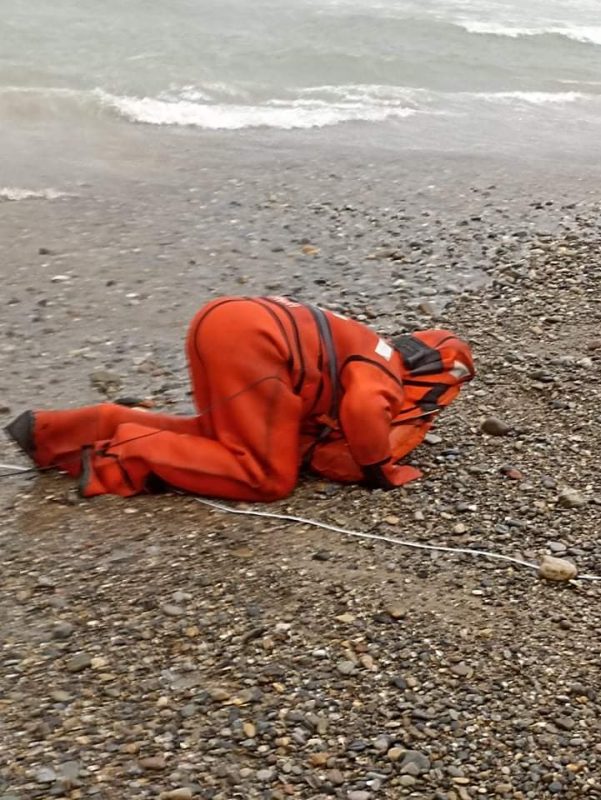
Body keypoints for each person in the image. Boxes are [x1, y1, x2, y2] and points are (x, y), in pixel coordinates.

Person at [4, 295, 474, 501]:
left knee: (215, 438)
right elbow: (364, 407)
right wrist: (381, 471)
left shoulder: (366, 343)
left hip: (227, 319)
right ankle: (121, 458)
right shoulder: (385, 364)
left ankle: (55, 434)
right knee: (266, 477)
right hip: (257, 343)